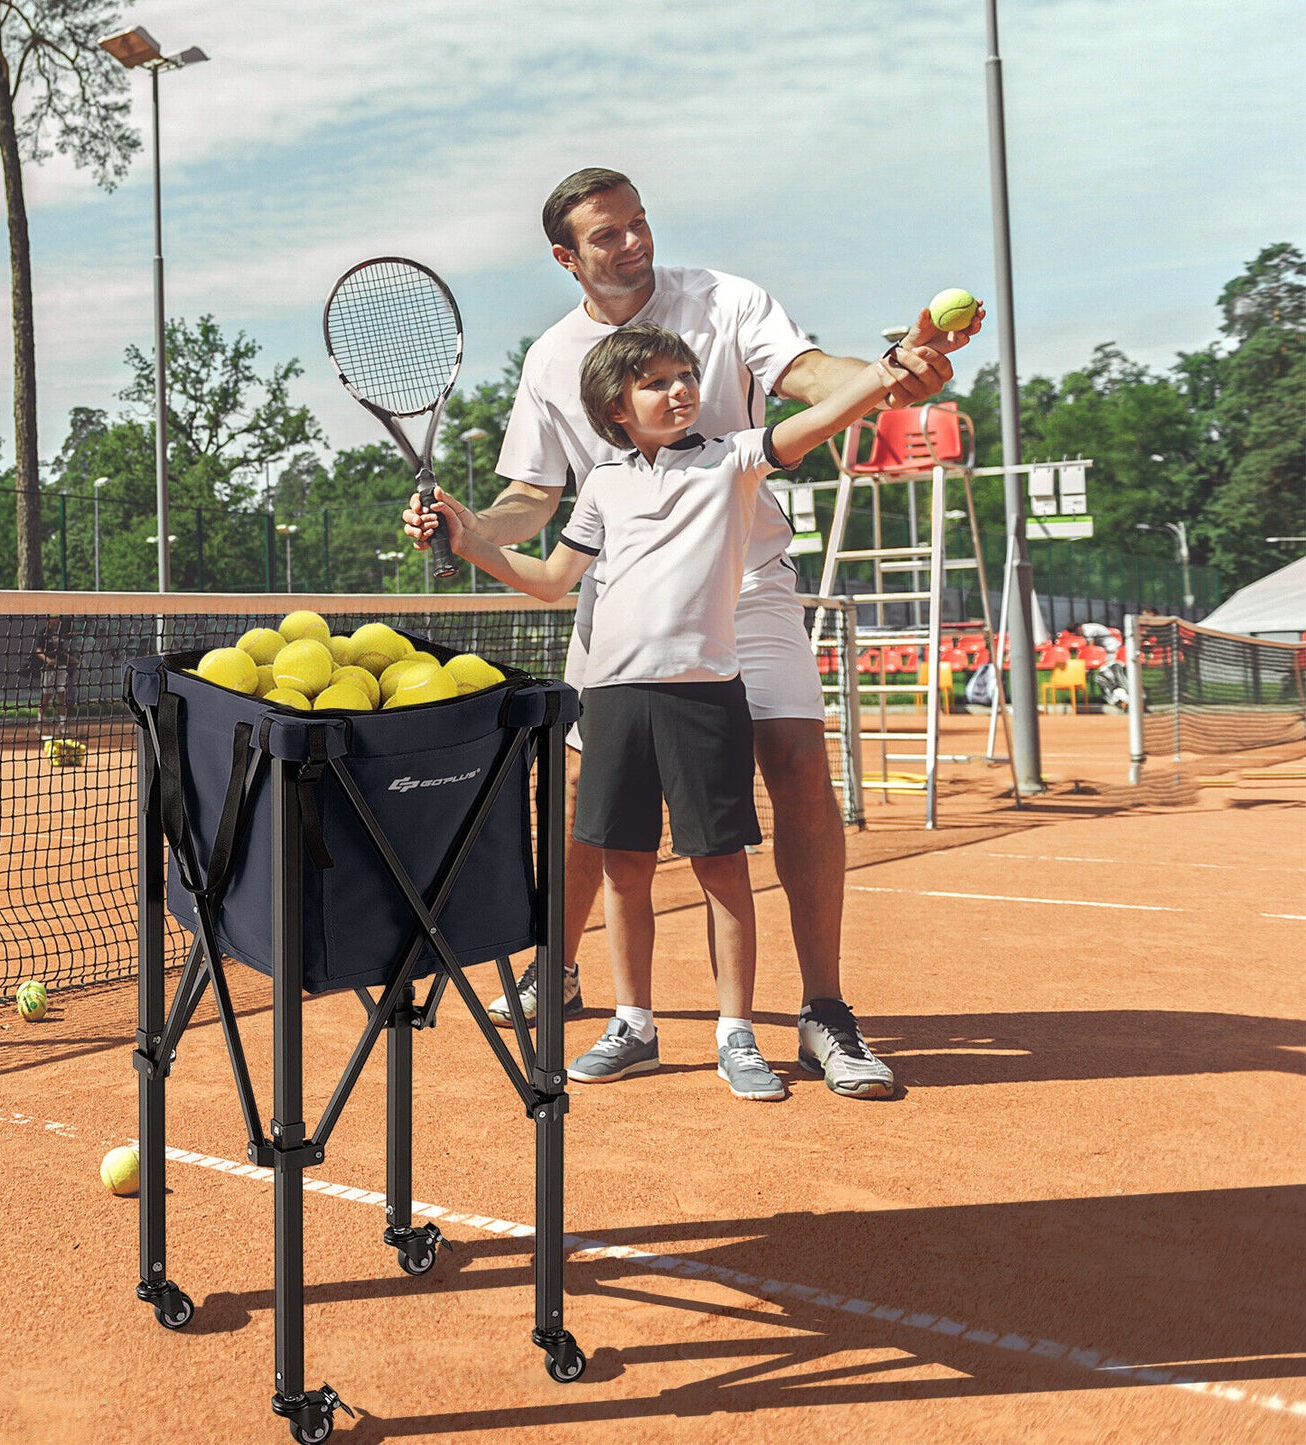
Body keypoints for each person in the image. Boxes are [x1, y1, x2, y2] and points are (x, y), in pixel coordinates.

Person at [404, 167, 981, 1098]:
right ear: (566, 257)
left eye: (638, 225)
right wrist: (468, 525)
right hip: (622, 600)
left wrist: (886, 373)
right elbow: (530, 503)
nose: (632, 243)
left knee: (795, 765)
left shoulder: (724, 301)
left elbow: (806, 379)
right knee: (595, 794)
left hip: (746, 583)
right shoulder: (552, 361)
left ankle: (821, 1011)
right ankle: (563, 967)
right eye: (607, 235)